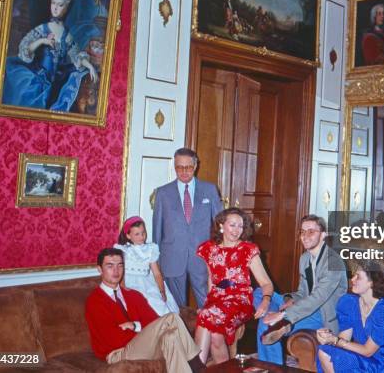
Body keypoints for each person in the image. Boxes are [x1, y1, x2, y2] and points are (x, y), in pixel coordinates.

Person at [85, 248, 205, 373]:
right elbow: (112, 340)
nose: (116, 271)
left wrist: (135, 326)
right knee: (172, 318)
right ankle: (196, 363)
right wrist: (143, 334)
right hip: (118, 353)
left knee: (171, 336)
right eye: (110, 266)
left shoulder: (133, 295)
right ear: (99, 269)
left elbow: (153, 321)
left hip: (141, 347)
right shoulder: (94, 301)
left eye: (120, 265)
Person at [255, 215, 348, 365]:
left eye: (311, 231)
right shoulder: (305, 258)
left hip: (322, 314)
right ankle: (277, 319)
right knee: (261, 293)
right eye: (302, 232)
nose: (305, 236)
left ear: (323, 235)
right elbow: (303, 292)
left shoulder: (334, 261)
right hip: (305, 306)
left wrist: (283, 314)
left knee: (265, 325)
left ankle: (280, 329)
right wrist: (289, 300)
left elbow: (317, 298)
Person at [194, 208, 274, 364]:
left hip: (240, 300)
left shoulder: (248, 250)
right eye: (233, 225)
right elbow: (212, 279)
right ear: (221, 226)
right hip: (216, 300)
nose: (237, 230)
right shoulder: (209, 249)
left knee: (206, 316)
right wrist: (208, 303)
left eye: (240, 226)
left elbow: (266, 282)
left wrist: (265, 300)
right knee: (215, 335)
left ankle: (196, 368)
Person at [2, 0, 98, 111]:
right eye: (53, 3)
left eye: (60, 5)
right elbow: (26, 48)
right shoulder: (43, 29)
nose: (55, 8)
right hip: (37, 79)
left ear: (67, 7)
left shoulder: (67, 36)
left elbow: (76, 56)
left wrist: (89, 65)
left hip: (56, 81)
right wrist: (42, 41)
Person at [152, 147, 223, 308]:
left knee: (208, 305)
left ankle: (209, 332)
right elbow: (157, 230)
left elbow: (220, 224)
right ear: (174, 166)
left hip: (202, 258)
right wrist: (156, 261)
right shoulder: (162, 193)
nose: (184, 172)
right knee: (176, 308)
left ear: (196, 166)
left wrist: (219, 253)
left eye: (188, 167)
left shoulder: (209, 190)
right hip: (172, 258)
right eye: (179, 167)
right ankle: (180, 334)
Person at [315, 261, 384, 373]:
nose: (352, 280)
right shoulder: (349, 303)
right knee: (324, 351)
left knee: (331, 354)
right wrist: (328, 338)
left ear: (372, 282)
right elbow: (343, 340)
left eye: (358, 277)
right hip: (365, 358)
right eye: (353, 275)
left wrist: (334, 340)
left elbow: (368, 351)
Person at [114, 216, 180, 316]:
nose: (142, 237)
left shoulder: (150, 249)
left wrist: (162, 291)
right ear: (128, 235)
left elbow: (157, 274)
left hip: (147, 284)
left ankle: (165, 324)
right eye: (137, 234)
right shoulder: (124, 250)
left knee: (156, 302)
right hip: (130, 285)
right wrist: (123, 288)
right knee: (139, 303)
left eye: (143, 233)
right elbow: (120, 272)